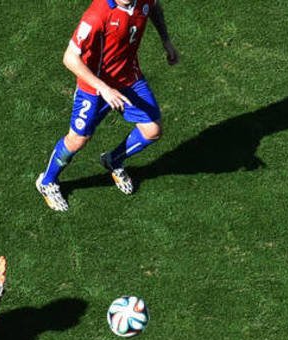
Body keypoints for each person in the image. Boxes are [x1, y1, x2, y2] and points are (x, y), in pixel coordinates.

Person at [35, 0, 180, 212]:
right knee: (77, 140)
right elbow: (69, 58)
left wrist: (166, 40)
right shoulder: (97, 15)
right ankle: (47, 182)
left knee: (152, 130)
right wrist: (103, 88)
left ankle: (113, 160)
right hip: (94, 87)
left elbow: (155, 8)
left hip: (129, 78)